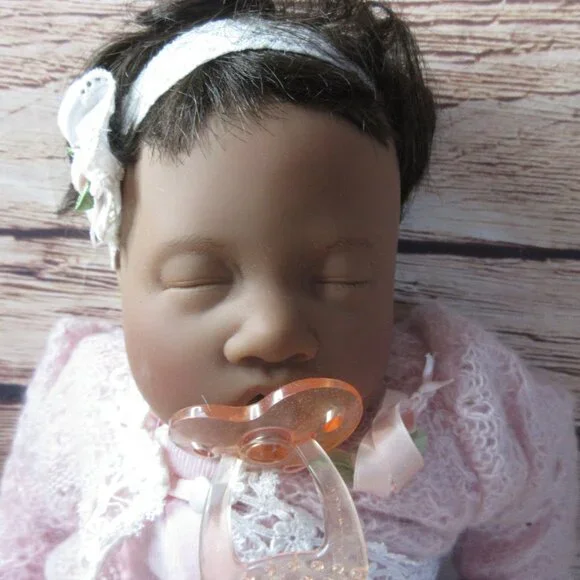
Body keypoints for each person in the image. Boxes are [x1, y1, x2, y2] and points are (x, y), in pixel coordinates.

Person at [0, 0, 577, 578]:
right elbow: (24, 540)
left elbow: (534, 519)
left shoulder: (453, 411)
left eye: (342, 276)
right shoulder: (88, 403)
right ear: (120, 266)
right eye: (197, 277)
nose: (274, 331)